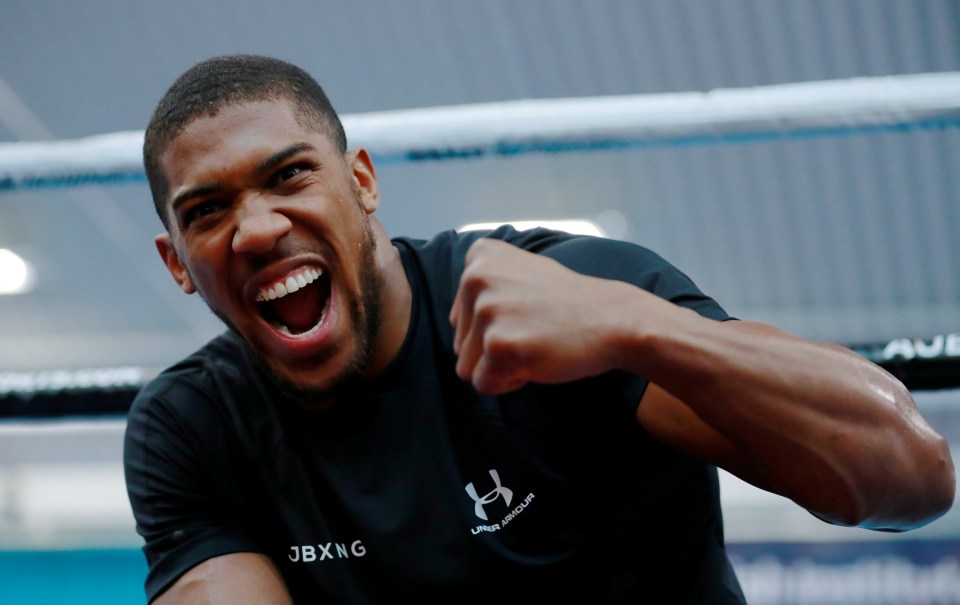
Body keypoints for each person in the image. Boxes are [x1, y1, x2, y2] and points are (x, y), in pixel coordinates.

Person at [123, 54, 955, 605]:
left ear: (362, 182)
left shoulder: (568, 297)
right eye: (209, 209)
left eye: (290, 174)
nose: (258, 229)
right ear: (176, 261)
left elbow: (910, 480)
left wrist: (639, 328)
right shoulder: (195, 425)